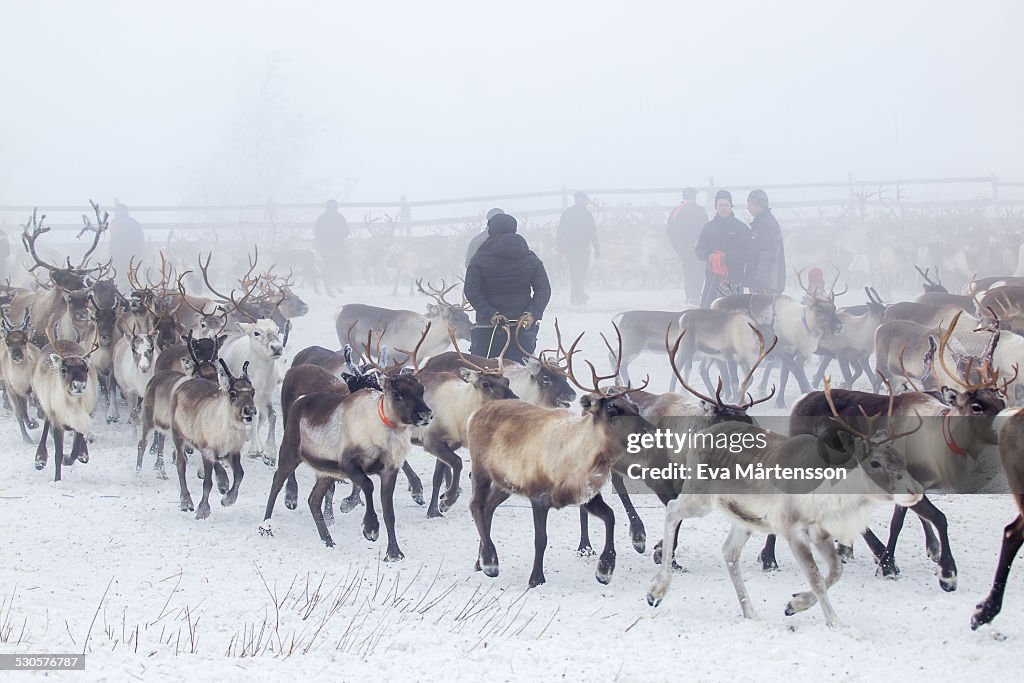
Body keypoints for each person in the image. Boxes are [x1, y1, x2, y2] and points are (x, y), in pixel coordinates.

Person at [464, 212, 551, 363]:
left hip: (488, 329)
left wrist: (490, 313)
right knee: (521, 374)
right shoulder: (530, 257)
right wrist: (532, 313)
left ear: (490, 231)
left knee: (489, 378)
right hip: (522, 329)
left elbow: (471, 290)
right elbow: (543, 289)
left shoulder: (479, 258)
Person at [694, 190, 751, 308]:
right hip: (713, 277)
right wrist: (709, 256)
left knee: (734, 311)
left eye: (726, 205)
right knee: (707, 310)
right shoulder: (709, 227)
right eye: (720, 205)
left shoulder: (741, 228)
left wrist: (727, 257)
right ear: (716, 206)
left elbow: (747, 253)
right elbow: (699, 250)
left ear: (731, 206)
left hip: (734, 277)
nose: (723, 208)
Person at [666, 187, 709, 304]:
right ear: (694, 197)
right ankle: (696, 295)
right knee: (699, 271)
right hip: (699, 247)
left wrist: (678, 247)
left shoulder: (675, 212)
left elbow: (670, 232)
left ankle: (690, 295)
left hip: (684, 248)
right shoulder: (700, 210)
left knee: (688, 272)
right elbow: (706, 229)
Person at [557, 192, 599, 305]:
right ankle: (578, 296)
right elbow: (592, 232)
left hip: (574, 247)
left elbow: (560, 232)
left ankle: (578, 295)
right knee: (579, 272)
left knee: (578, 272)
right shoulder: (585, 214)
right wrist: (596, 247)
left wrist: (561, 247)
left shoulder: (568, 213)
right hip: (579, 247)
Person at [744, 189, 786, 295]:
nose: (748, 208)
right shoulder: (761, 222)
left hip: (767, 285)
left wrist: (759, 281)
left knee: (765, 311)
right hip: (763, 283)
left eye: (750, 204)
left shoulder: (766, 224)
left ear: (759, 205)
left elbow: (767, 255)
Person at [314, 200, 350, 293]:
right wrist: (339, 236)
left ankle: (328, 285)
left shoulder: (322, 218)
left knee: (327, 266)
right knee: (339, 265)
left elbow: (317, 232)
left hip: (325, 247)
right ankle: (337, 283)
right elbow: (346, 232)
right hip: (338, 246)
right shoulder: (340, 217)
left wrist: (324, 238)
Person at [109, 202, 145, 289]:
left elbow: (113, 240)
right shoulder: (134, 223)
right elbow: (141, 240)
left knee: (120, 275)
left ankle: (122, 291)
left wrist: (111, 253)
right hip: (132, 254)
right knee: (131, 275)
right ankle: (130, 290)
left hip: (120, 255)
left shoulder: (115, 223)